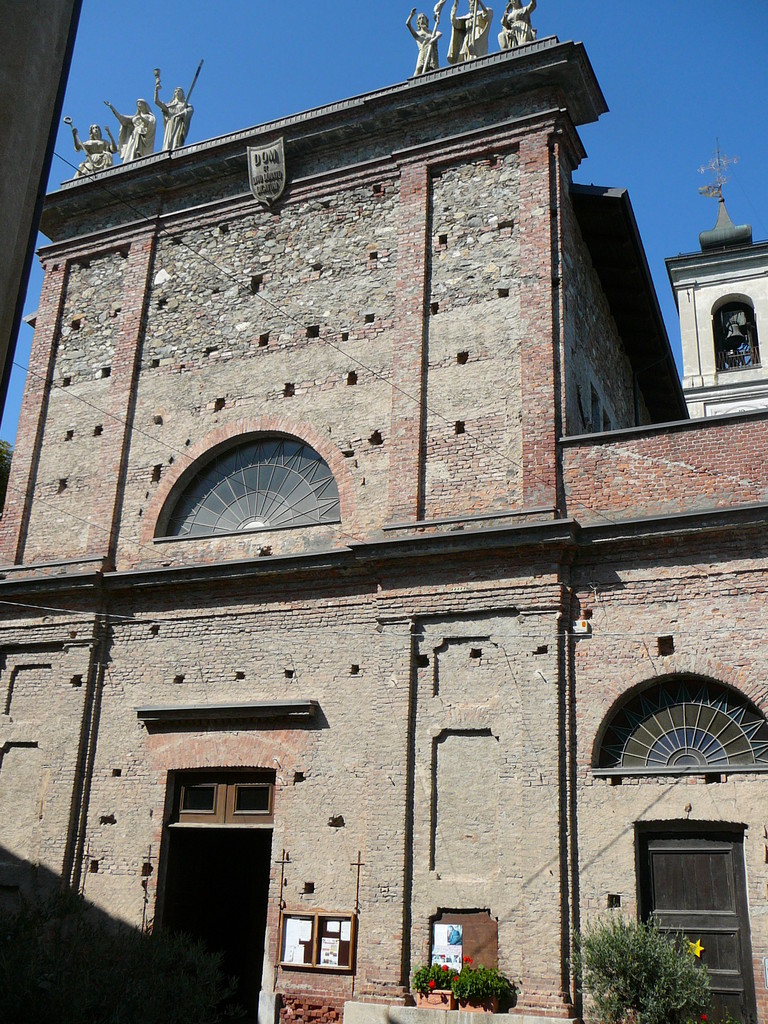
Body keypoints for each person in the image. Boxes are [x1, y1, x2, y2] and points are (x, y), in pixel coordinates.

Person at [447, 0, 494, 64]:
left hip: (477, 34)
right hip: (468, 36)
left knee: (475, 51)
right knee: (464, 52)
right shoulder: (466, 17)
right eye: (470, 4)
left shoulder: (480, 13)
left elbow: (488, 13)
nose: (471, 6)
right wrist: (455, 5)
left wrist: (479, 2)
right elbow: (454, 22)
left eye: (473, 4)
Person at [406, 2, 446, 76]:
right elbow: (408, 24)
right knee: (419, 70)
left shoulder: (432, 32)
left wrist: (433, 39)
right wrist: (411, 15)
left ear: (426, 20)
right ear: (418, 22)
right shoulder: (418, 34)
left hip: (432, 53)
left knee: (432, 71)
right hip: (423, 53)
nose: (421, 20)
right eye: (419, 18)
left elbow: (440, 34)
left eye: (423, 18)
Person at [154, 83, 193, 151]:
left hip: (179, 124)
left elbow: (190, 111)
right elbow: (157, 102)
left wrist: (182, 113)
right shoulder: (170, 106)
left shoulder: (186, 105)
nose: (177, 93)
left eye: (179, 91)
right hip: (170, 125)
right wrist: (156, 90)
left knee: (177, 140)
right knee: (168, 142)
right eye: (175, 92)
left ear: (182, 93)